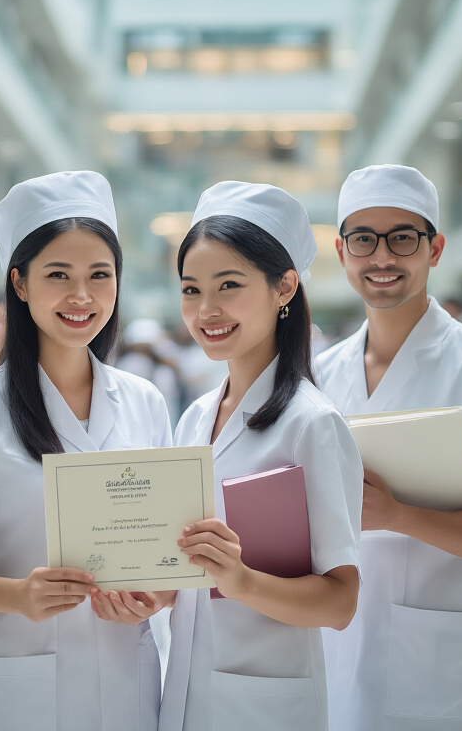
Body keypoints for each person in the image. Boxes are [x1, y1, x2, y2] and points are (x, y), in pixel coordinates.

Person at [0, 171, 173, 731]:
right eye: (58, 275)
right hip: (18, 695)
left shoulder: (145, 403)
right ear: (20, 283)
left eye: (99, 275)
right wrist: (18, 596)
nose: (82, 296)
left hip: (125, 682)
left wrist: (155, 596)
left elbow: (166, 559)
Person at [315, 164, 462, 731]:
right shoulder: (319, 375)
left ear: (435, 249)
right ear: (342, 252)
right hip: (332, 648)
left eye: (402, 238)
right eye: (363, 239)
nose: (382, 256)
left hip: (435, 661)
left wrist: (397, 515)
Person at [155, 181, 362, 731]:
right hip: (188, 692)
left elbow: (340, 602)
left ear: (284, 287)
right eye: (191, 289)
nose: (207, 310)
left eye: (229, 285)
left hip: (268, 704)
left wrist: (241, 581)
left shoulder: (313, 424)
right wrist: (151, 593)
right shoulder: (195, 418)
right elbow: (187, 571)